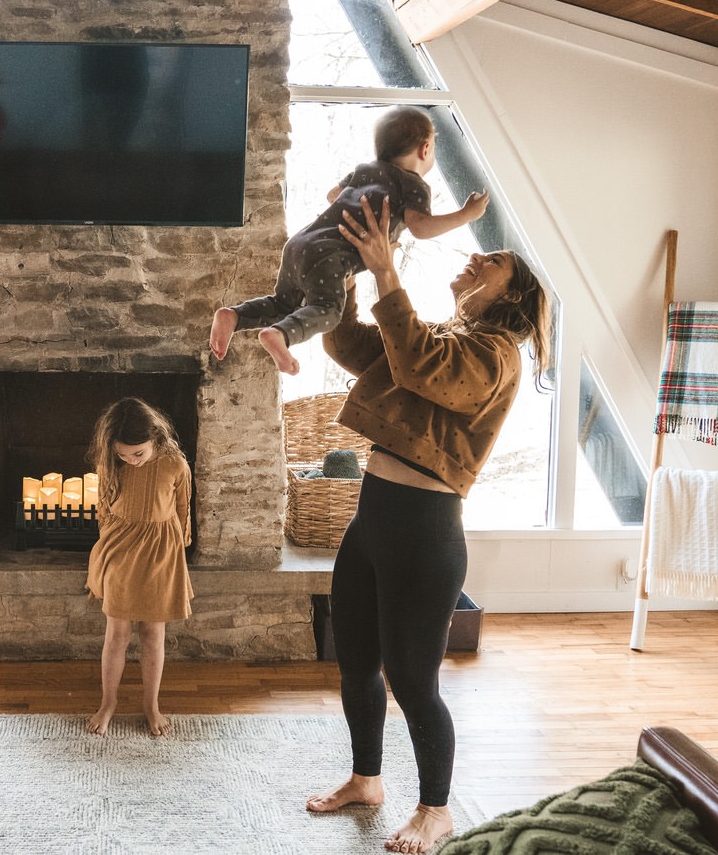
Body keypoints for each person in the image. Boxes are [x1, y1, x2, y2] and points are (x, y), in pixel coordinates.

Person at [303, 199, 552, 855]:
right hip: (373, 516)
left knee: (413, 680)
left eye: (492, 262)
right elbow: (362, 347)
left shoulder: (496, 355)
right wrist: (348, 277)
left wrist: (389, 272)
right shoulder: (445, 334)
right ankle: (366, 778)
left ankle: (436, 810)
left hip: (424, 533)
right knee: (354, 661)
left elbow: (415, 362)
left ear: (515, 296)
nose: (475, 256)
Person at [210, 106, 488, 376]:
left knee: (284, 303)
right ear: (425, 149)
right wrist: (465, 214)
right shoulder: (413, 185)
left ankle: (233, 316)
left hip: (301, 241)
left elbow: (333, 195)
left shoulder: (366, 168)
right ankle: (280, 335)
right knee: (328, 311)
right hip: (329, 257)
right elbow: (421, 228)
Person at [83, 397, 193, 737]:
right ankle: (108, 702)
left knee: (152, 633)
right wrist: (109, 547)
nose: (131, 461)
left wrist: (178, 551)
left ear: (155, 439)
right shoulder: (109, 464)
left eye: (138, 454)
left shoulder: (175, 465)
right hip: (120, 550)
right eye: (123, 455)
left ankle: (151, 704)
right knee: (117, 633)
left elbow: (183, 509)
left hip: (160, 553)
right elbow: (102, 507)